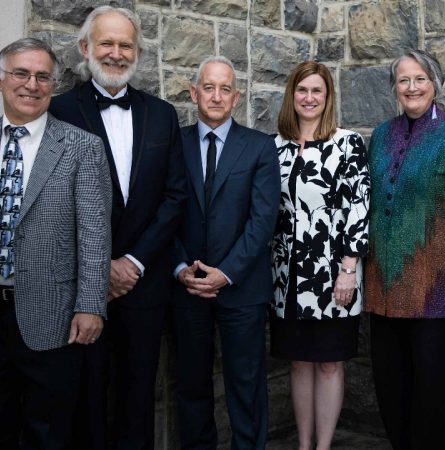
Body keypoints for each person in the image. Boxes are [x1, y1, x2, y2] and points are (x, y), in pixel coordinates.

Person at [0, 37, 111, 449]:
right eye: (21, 73)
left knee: (49, 431)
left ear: (52, 85)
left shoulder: (82, 148)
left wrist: (90, 304)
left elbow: (94, 233)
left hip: (55, 317)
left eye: (42, 76)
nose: (31, 84)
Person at [49, 6, 186, 449]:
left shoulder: (163, 115)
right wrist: (100, 266)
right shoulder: (58, 111)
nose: (115, 52)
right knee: (83, 398)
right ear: (86, 48)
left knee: (138, 397)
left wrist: (133, 261)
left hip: (143, 285)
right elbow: (52, 201)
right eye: (106, 43)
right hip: (82, 287)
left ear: (137, 53)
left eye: (125, 44)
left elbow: (174, 197)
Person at [364, 49, 445, 450]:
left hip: (437, 297)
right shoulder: (382, 135)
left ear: (434, 83)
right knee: (391, 393)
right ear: (394, 88)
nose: (412, 87)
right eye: (403, 80)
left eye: (419, 79)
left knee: (434, 398)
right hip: (383, 294)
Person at [172, 56, 281, 450]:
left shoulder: (260, 147)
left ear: (236, 97)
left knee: (246, 384)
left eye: (225, 89)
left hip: (242, 288)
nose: (216, 96)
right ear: (194, 92)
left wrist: (226, 272)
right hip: (186, 288)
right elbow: (165, 210)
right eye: (208, 87)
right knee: (191, 383)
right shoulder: (174, 143)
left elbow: (263, 219)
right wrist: (181, 267)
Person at [270, 61, 370, 450]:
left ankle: (323, 446)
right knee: (298, 362)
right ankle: (303, 443)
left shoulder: (347, 143)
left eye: (317, 91)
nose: (309, 98)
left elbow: (359, 209)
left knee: (329, 362)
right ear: (291, 95)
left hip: (334, 274)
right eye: (302, 90)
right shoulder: (273, 146)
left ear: (327, 98)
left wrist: (349, 269)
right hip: (286, 276)